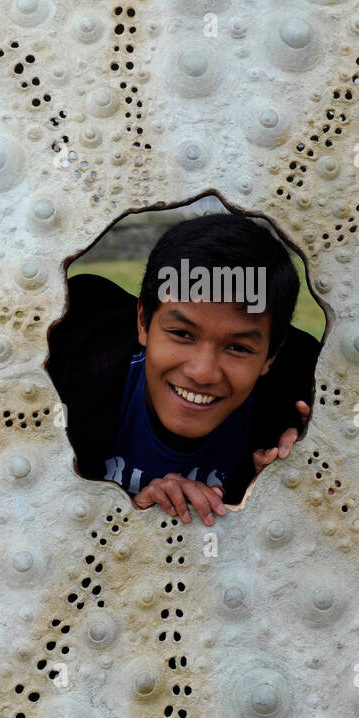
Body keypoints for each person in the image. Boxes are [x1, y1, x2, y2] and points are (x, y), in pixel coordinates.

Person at [46, 214, 320, 526]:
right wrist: (132, 517)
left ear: (272, 355)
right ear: (144, 322)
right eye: (182, 334)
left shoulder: (286, 414)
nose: (203, 373)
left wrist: (283, 482)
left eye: (238, 348)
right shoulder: (75, 375)